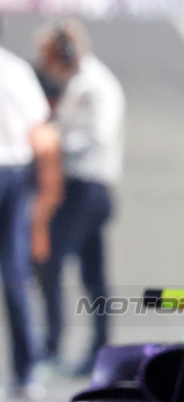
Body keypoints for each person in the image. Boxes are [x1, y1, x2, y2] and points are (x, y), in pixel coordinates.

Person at [33, 19, 126, 376]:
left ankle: (54, 345)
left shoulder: (93, 86)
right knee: (93, 273)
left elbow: (95, 137)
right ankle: (99, 348)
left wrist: (54, 147)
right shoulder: (80, 84)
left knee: (51, 261)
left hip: (88, 188)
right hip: (85, 188)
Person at [0, 20, 59, 400]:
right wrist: (46, 201)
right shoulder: (16, 71)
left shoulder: (16, 71)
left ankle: (28, 367)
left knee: (18, 277)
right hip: (15, 175)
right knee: (17, 276)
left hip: (14, 176)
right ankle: (28, 369)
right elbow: (43, 137)